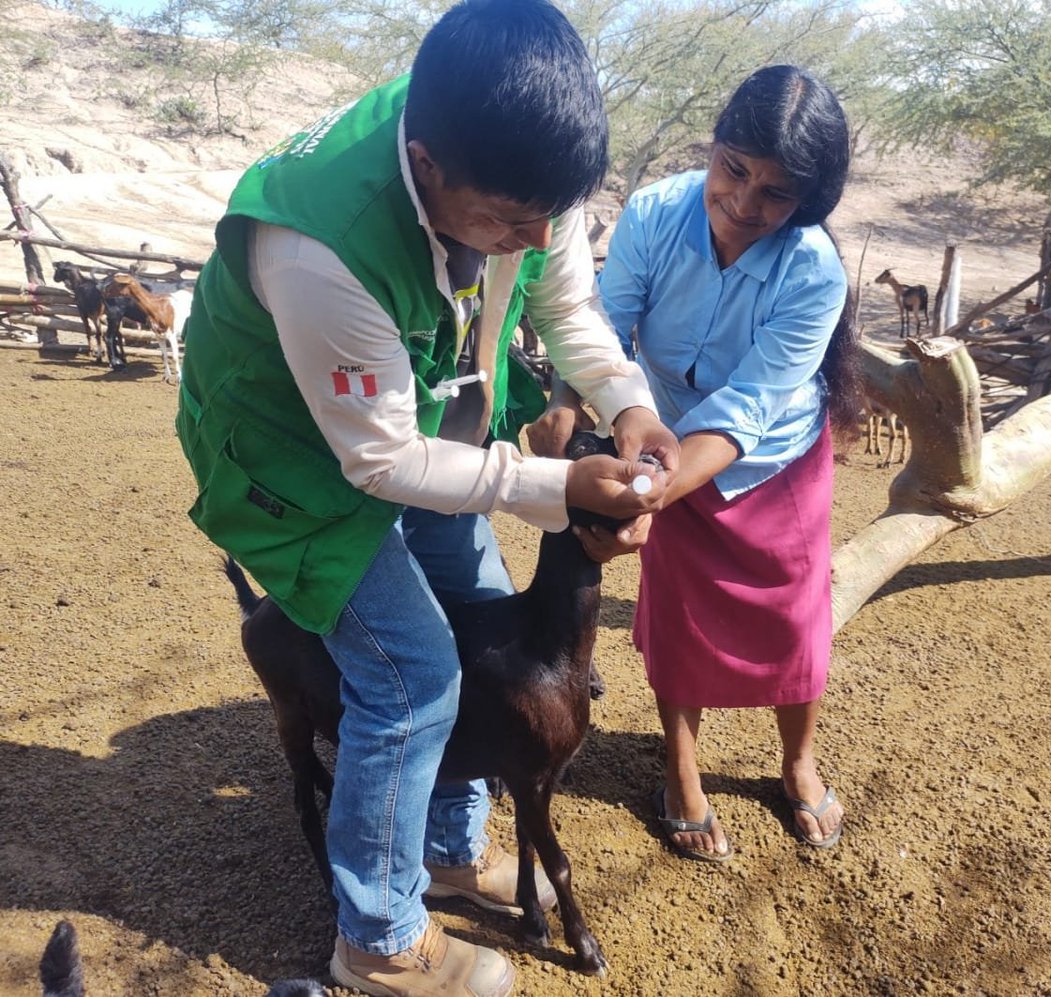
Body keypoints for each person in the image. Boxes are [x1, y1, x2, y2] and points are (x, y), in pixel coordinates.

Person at [175, 2, 679, 994]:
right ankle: (375, 937)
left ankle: (448, 847)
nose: (532, 239)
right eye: (506, 222)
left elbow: (564, 300)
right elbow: (380, 463)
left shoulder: (522, 161)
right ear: (427, 163)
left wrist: (630, 402)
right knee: (412, 674)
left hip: (422, 418)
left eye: (554, 214)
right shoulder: (321, 248)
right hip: (296, 458)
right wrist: (557, 484)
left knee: (480, 609)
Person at [530, 64, 860, 862]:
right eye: (734, 169)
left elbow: (750, 406)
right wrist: (570, 403)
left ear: (809, 202)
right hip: (660, 430)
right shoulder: (653, 212)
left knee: (795, 620)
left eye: (777, 194)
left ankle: (797, 759)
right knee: (678, 614)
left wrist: (646, 493)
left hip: (770, 455)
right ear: (713, 147)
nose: (745, 204)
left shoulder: (813, 269)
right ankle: (681, 768)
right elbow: (607, 326)